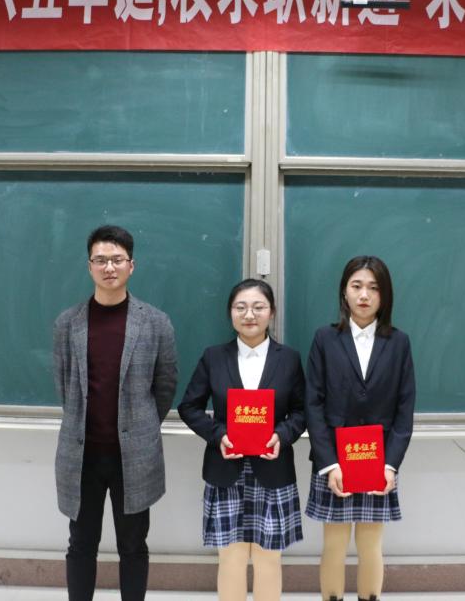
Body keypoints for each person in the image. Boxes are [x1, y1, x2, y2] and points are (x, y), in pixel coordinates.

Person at [52, 224, 178, 601]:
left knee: (133, 545)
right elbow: (64, 386)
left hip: (134, 457)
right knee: (81, 544)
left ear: (131, 265)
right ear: (89, 266)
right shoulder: (67, 323)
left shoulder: (156, 322)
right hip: (83, 456)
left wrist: (139, 426)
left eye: (117, 260)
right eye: (101, 260)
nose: (109, 267)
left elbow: (165, 386)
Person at [178, 279, 307, 601]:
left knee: (268, 559)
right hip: (226, 470)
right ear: (230, 313)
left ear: (271, 312)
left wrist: (282, 435)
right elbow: (189, 407)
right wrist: (218, 435)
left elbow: (303, 411)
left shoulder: (289, 359)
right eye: (241, 307)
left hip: (273, 469)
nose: (249, 315)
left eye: (258, 307)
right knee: (231, 559)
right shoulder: (213, 357)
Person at [304, 256, 416, 601]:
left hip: (377, 460)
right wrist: (329, 464)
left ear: (385, 295)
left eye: (373, 288)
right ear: (344, 291)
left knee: (371, 545)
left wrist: (390, 464)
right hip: (335, 461)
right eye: (356, 286)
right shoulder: (325, 338)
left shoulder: (398, 342)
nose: (364, 295)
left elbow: (405, 409)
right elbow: (313, 404)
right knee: (334, 545)